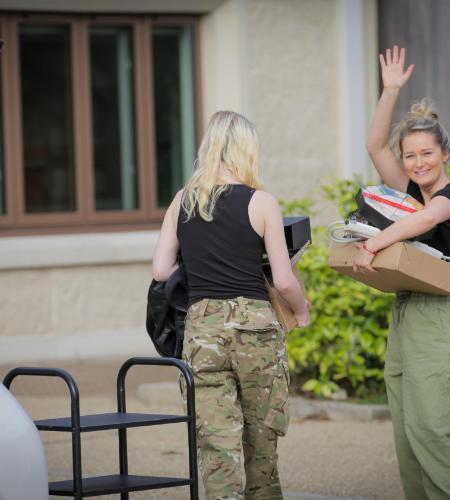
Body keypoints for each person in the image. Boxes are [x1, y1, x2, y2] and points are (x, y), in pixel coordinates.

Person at [152, 110, 310, 499]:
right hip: (255, 328)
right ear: (246, 150)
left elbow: (160, 270)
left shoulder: (182, 200)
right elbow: (284, 280)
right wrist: (302, 311)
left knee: (216, 444)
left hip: (203, 329)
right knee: (261, 440)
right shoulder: (261, 202)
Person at [354, 46, 450, 500]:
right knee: (408, 441)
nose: (418, 162)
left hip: (441, 318)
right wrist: (389, 92)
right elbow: (373, 146)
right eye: (410, 155)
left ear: (444, 152)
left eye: (427, 153)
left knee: (430, 433)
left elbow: (426, 221)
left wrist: (375, 242)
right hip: (407, 315)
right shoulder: (408, 193)